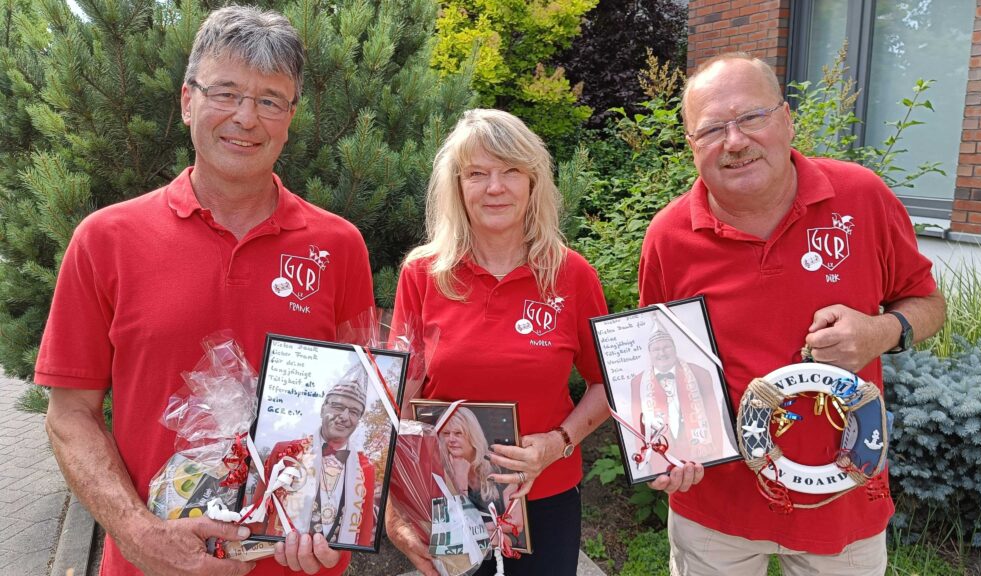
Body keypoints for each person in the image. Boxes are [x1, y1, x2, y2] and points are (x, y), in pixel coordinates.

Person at [35, 6, 374, 576]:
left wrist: (341, 518)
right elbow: (69, 414)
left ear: (290, 118)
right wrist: (142, 535)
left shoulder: (339, 246)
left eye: (270, 100)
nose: (246, 117)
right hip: (151, 564)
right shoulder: (105, 239)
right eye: (226, 92)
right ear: (188, 101)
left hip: (300, 565)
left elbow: (362, 411)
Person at [638, 52, 946, 576]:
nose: (734, 142)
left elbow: (928, 304)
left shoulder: (862, 198)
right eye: (712, 129)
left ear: (786, 119)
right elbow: (653, 356)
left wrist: (882, 331)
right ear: (691, 146)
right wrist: (664, 450)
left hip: (843, 496)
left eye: (751, 118)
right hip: (715, 509)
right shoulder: (668, 237)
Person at [385, 108, 610, 576]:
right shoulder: (423, 274)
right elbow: (397, 399)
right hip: (451, 499)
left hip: (545, 496)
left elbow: (605, 385)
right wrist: (397, 500)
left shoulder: (572, 275)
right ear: (457, 187)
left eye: (511, 171)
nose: (495, 187)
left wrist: (558, 442)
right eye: (478, 174)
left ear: (533, 183)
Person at [253, 379, 376, 547]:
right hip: (275, 556)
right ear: (322, 408)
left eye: (354, 412)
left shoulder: (366, 468)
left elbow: (364, 529)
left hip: (329, 566)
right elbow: (258, 512)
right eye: (338, 407)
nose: (345, 417)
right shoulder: (286, 451)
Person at [629, 323, 724, 469]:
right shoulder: (638, 383)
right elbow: (638, 426)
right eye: (656, 349)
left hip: (702, 457)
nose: (662, 353)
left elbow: (714, 417)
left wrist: (718, 457)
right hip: (662, 460)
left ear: (675, 348)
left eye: (666, 347)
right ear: (649, 353)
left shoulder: (700, 374)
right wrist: (645, 464)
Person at [438, 407, 523, 548]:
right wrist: (460, 480)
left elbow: (516, 523)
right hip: (466, 555)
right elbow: (448, 527)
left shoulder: (500, 465)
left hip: (509, 550)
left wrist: (472, 530)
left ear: (472, 434)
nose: (451, 439)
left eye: (458, 433)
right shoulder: (440, 471)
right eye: (446, 433)